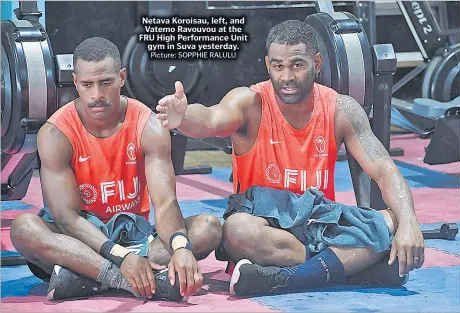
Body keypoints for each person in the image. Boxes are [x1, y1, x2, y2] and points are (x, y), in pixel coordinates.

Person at [155, 20, 425, 296]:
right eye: (278, 66)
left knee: (392, 220)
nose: (286, 77)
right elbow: (211, 119)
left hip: (320, 225)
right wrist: (183, 118)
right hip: (263, 229)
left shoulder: (340, 109)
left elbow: (384, 169)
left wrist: (410, 223)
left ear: (317, 62)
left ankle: (285, 278)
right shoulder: (250, 102)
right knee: (236, 230)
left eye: (297, 65)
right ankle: (350, 267)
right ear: (267, 64)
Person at [10, 37, 223, 302]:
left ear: (122, 77)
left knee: (209, 228)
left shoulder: (148, 126)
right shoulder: (55, 133)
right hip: (81, 241)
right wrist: (120, 261)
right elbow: (67, 219)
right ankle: (127, 280)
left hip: (136, 239)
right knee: (24, 228)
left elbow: (166, 203)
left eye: (106, 83)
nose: (96, 94)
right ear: (75, 82)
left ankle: (84, 279)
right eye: (87, 85)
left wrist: (180, 247)